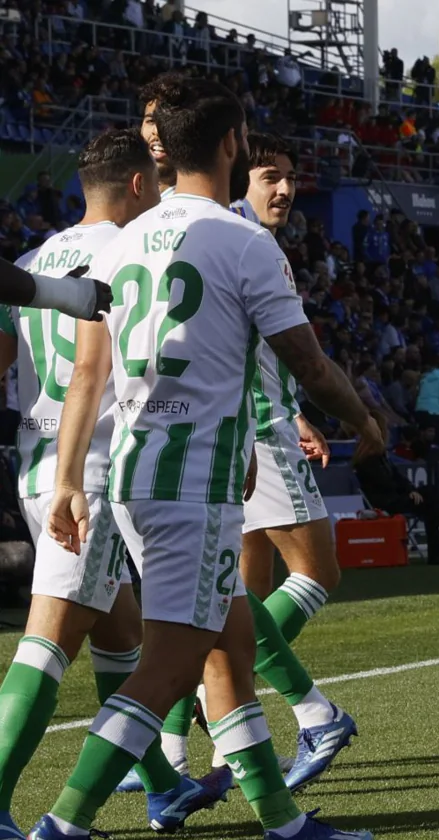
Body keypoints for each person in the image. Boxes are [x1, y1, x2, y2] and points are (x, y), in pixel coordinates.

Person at [28, 77, 381, 840]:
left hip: (136, 468)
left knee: (234, 644)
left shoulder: (119, 244)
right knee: (171, 668)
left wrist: (65, 481)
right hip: (193, 479)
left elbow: (89, 374)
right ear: (231, 145)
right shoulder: (244, 241)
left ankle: (283, 822)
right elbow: (309, 365)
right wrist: (365, 420)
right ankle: (64, 823)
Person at [0, 129, 229, 839]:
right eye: (155, 185)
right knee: (47, 640)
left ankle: (162, 787)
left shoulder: (34, 258)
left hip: (36, 464)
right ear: (138, 185)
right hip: (92, 472)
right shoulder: (133, 255)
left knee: (119, 626)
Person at [227, 131, 358, 791]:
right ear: (239, 178)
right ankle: (241, 687)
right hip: (255, 433)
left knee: (240, 591)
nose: (282, 189)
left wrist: (297, 411)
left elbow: (251, 349)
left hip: (249, 425)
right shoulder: (246, 240)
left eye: (289, 177)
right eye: (267, 176)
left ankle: (202, 743)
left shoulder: (239, 237)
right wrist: (352, 414)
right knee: (318, 571)